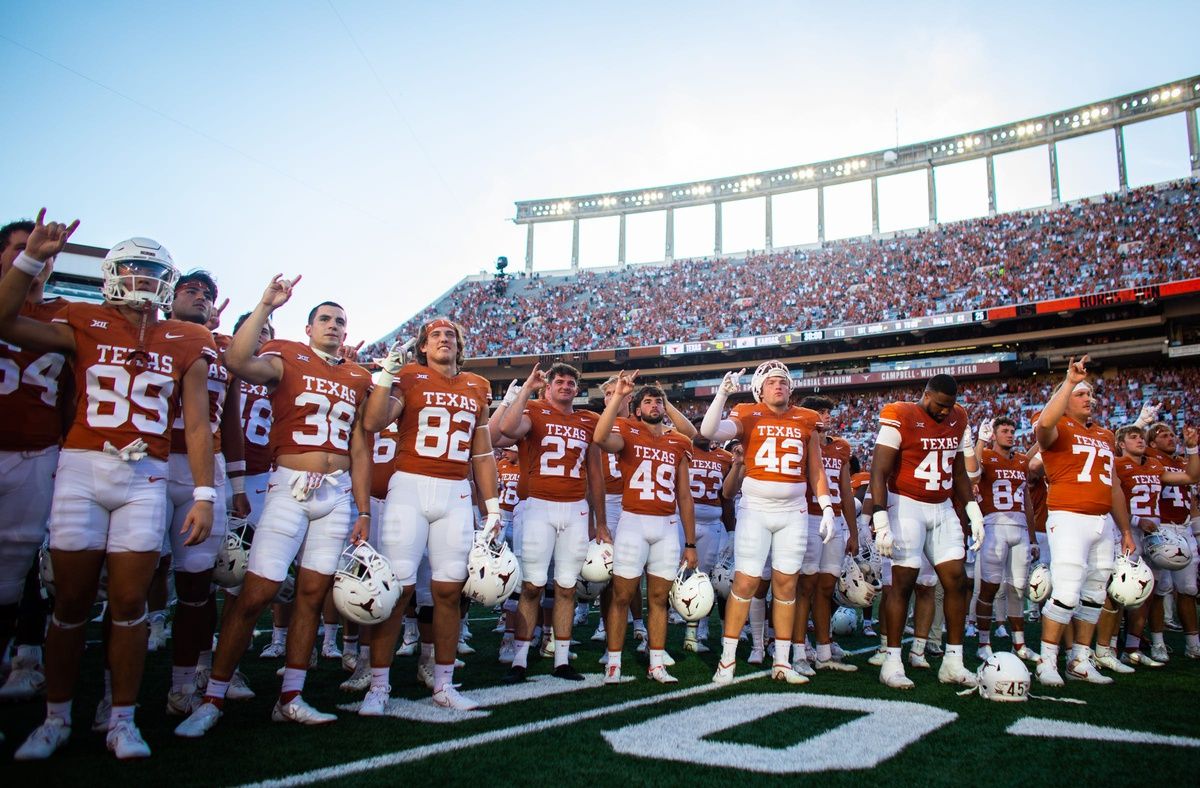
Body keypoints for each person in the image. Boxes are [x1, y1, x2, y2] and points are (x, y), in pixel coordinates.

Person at [2, 214, 217, 759]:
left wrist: (204, 493)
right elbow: (5, 321)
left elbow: (196, 423)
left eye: (153, 272)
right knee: (70, 600)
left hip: (146, 473)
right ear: (112, 273)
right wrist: (31, 258)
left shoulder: (189, 335)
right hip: (81, 466)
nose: (144, 281)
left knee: (129, 601)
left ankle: (121, 717)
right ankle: (55, 717)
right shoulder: (82, 317)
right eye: (134, 270)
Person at [175, 279, 372, 737]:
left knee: (311, 595)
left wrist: (363, 509)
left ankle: (291, 696)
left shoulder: (357, 375)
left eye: (340, 321)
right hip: (287, 488)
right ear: (308, 328)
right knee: (256, 594)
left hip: (337, 494)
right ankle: (213, 696)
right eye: (325, 318)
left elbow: (360, 447)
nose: (333, 326)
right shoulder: (286, 353)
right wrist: (265, 305)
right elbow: (237, 361)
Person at [357, 318, 501, 712]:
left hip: (455, 492)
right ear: (422, 346)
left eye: (450, 335)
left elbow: (483, 454)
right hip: (409, 487)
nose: (444, 339)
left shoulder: (477, 385)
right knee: (398, 590)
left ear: (459, 345)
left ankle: (443, 684)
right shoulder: (410, 377)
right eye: (435, 335)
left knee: (448, 592)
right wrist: (387, 374)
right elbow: (373, 422)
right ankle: (378, 687)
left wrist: (491, 506)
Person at [699, 361, 836, 685]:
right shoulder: (747, 412)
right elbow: (708, 432)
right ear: (760, 389)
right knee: (746, 583)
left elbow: (815, 468)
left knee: (787, 585)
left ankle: (782, 661)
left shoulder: (806, 418)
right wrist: (722, 394)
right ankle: (727, 660)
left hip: (793, 511)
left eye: (784, 382)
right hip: (757, 508)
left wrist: (827, 506)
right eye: (773, 382)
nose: (780, 387)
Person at [161, 271, 250, 716]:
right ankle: (111, 694)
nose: (200, 297)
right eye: (191, 290)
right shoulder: (152, 334)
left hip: (205, 468)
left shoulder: (221, 351)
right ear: (169, 297)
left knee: (198, 585)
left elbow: (229, 422)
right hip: (151, 462)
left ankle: (188, 679)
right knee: (135, 582)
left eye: (207, 294)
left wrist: (236, 484)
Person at [869, 374, 980, 689]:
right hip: (906, 504)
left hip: (942, 505)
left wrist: (972, 509)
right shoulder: (900, 414)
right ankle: (892, 661)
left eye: (950, 406)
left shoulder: (958, 416)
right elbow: (879, 469)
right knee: (903, 582)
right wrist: (880, 520)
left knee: (957, 580)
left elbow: (958, 470)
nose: (946, 412)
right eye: (941, 405)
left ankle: (953, 662)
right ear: (926, 394)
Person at [1030, 356, 1135, 686]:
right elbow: (1043, 426)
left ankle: (1080, 659)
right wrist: (1070, 382)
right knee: (1067, 591)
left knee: (1094, 592)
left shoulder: (1105, 435)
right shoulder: (1057, 426)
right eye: (1081, 394)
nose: (1088, 399)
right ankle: (1047, 660)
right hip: (1069, 517)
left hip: (1102, 521)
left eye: (1091, 394)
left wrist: (1126, 529)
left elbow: (1114, 484)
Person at [498, 362, 605, 682]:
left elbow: (595, 475)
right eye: (559, 381)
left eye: (572, 382)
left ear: (577, 389)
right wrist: (526, 391)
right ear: (549, 387)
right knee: (531, 586)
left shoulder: (588, 420)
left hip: (574, 508)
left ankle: (560, 659)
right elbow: (506, 429)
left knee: (567, 587)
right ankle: (520, 659)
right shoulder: (533, 410)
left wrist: (600, 522)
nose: (566, 386)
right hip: (538, 506)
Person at [0, 218, 69, 703]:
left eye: (47, 253)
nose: (39, 259)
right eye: (25, 250)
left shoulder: (65, 316)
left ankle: (25, 653)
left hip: (38, 453)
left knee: (17, 570)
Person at [593, 373, 697, 683]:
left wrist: (690, 543)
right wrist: (617, 397)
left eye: (658, 401)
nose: (654, 405)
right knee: (622, 595)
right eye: (647, 401)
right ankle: (614, 662)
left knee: (658, 598)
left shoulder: (678, 440)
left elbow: (684, 495)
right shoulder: (627, 429)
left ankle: (656, 663)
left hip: (666, 524)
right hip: (633, 520)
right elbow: (600, 438)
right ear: (637, 409)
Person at [797, 395, 858, 672]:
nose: (827, 416)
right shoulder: (800, 445)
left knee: (825, 588)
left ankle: (823, 650)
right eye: (821, 411)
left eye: (829, 412)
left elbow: (846, 492)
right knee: (804, 588)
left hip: (835, 521)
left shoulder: (842, 447)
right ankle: (799, 648)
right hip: (808, 518)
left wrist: (853, 533)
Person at [973, 416, 1038, 661]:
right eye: (1004, 431)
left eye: (1012, 430)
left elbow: (1028, 502)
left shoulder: (1021, 460)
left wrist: (1032, 538)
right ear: (995, 434)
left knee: (1018, 589)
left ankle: (1019, 644)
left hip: (1020, 528)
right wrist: (981, 440)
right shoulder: (987, 456)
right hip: (994, 526)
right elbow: (973, 471)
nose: (1010, 435)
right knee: (989, 588)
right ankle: (983, 642)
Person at [1140, 421, 1200, 661]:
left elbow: (1192, 484)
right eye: (1164, 435)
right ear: (1152, 442)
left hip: (1183, 527)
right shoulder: (1151, 460)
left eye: (1172, 434)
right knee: (1160, 589)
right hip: (1160, 526)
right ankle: (1157, 642)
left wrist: (1193, 447)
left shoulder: (1182, 463)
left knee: (1188, 589)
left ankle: (1193, 643)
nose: (1171, 438)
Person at [683, 427, 734, 652]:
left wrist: (731, 530)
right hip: (683, 520)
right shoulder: (683, 450)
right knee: (674, 574)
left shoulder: (725, 457)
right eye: (699, 430)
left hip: (713, 522)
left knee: (705, 578)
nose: (704, 434)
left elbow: (727, 498)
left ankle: (699, 627)